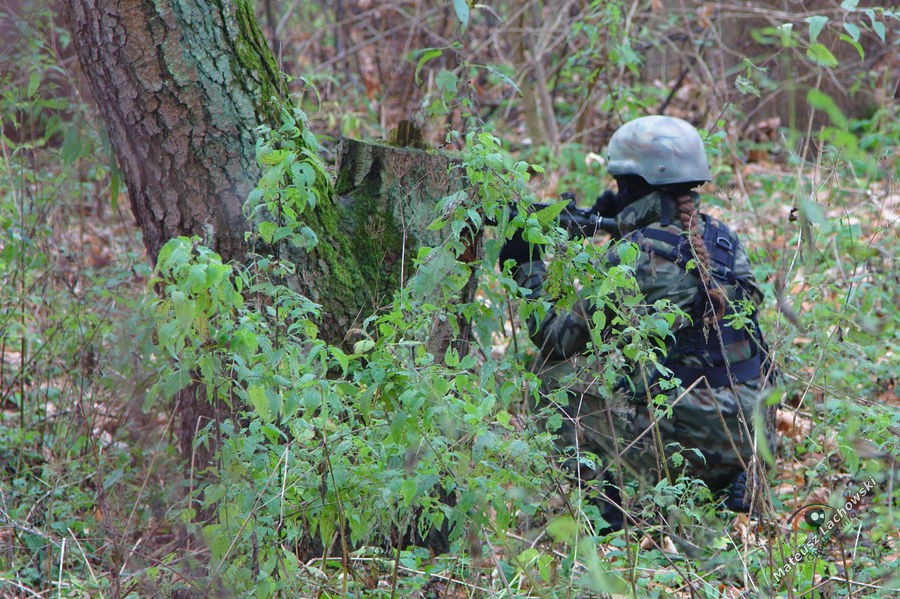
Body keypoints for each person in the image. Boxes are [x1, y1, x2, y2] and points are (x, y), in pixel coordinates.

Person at [499, 115, 776, 531]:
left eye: (620, 184)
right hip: (753, 433)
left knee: (552, 378)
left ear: (631, 186)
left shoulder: (631, 258)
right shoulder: (724, 240)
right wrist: (623, 226)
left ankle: (609, 511)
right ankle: (732, 479)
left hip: (690, 437)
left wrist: (526, 265)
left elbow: (556, 338)